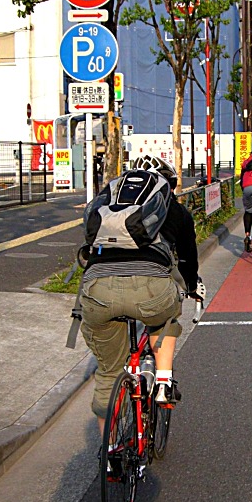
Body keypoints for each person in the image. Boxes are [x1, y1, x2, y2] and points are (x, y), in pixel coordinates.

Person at [79, 154, 202, 437]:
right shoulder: (177, 212)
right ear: (168, 185)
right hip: (151, 288)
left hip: (98, 289)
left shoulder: (110, 207)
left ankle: (109, 449)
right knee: (165, 318)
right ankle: (163, 381)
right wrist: (191, 286)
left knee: (108, 373)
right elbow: (187, 258)